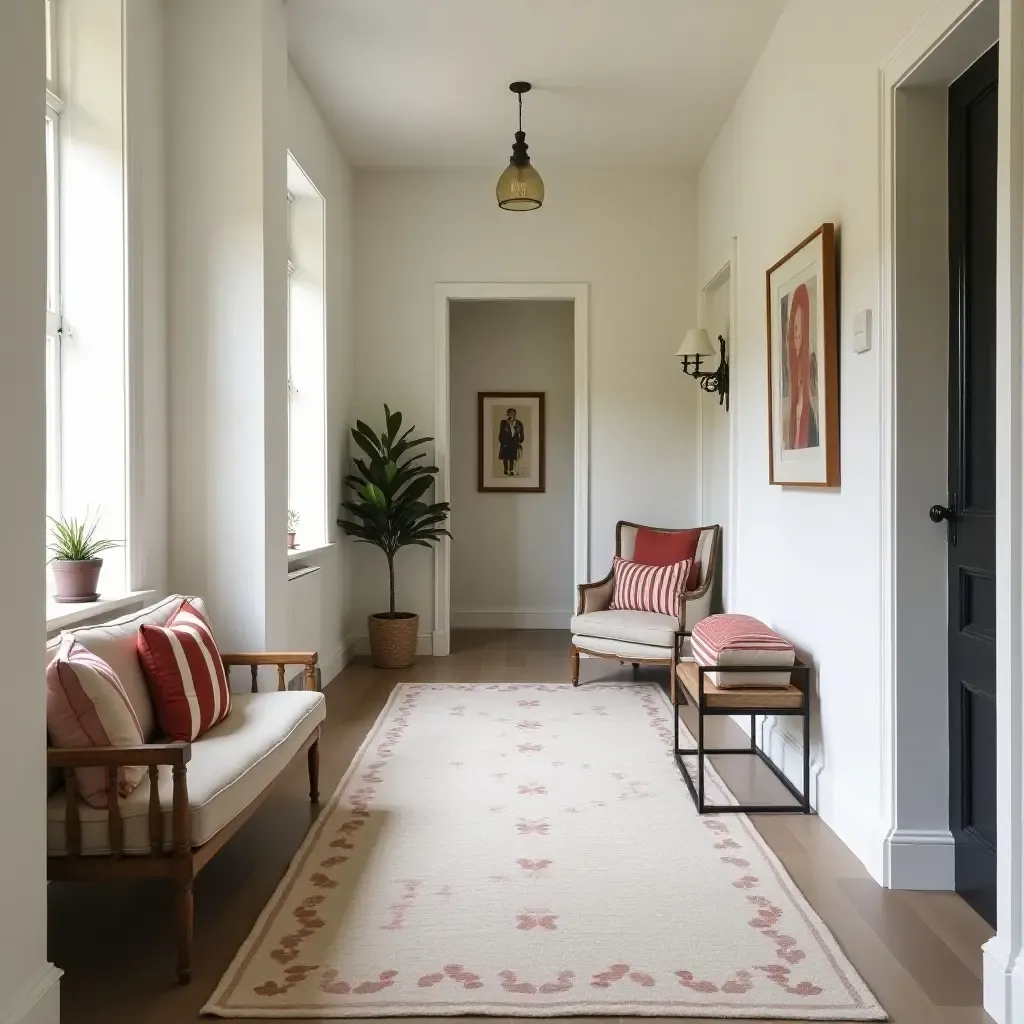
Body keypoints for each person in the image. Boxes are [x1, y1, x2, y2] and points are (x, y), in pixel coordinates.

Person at [784, 283, 819, 450]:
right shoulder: (790, 407)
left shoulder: (812, 365)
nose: (798, 333)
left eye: (801, 326)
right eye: (795, 327)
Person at [498, 407, 525, 476]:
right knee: (505, 457)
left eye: (512, 413)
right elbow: (501, 433)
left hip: (514, 442)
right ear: (507, 414)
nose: (510, 414)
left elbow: (521, 433)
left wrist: (520, 441)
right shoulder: (503, 422)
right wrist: (502, 442)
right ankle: (506, 470)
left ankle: (512, 470)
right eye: (509, 413)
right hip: (506, 442)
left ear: (515, 414)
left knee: (513, 457)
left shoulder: (519, 423)